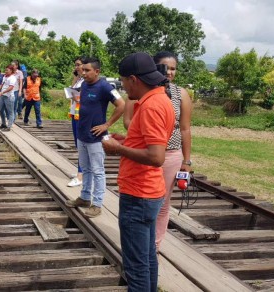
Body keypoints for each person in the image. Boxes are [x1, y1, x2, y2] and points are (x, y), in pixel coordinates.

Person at [101, 52, 175, 292]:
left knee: (136, 265)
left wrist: (118, 148)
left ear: (134, 79)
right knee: (148, 257)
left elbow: (156, 157)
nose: (122, 87)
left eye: (123, 81)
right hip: (150, 192)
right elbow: (149, 142)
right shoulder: (161, 99)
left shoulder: (151, 106)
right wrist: (128, 140)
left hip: (139, 194)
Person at [123, 51, 193, 250]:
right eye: (164, 68)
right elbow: (128, 121)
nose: (169, 72)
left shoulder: (181, 94)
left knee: (162, 203)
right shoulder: (137, 91)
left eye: (173, 68)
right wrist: (149, 133)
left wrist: (186, 161)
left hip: (170, 155)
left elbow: (185, 128)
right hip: (145, 153)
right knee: (143, 199)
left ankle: (154, 245)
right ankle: (143, 243)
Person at [64, 57, 125, 218]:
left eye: (86, 70)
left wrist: (107, 125)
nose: (83, 73)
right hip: (82, 134)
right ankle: (84, 197)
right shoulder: (84, 85)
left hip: (96, 137)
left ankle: (97, 204)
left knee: (98, 171)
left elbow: (122, 105)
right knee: (85, 169)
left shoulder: (105, 87)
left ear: (97, 71)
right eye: (82, 70)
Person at [67, 57, 84, 187]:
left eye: (78, 65)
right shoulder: (78, 80)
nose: (76, 67)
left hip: (81, 114)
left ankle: (80, 174)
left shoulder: (86, 81)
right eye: (75, 65)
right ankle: (81, 172)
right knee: (77, 144)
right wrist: (75, 77)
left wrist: (76, 96)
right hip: (74, 113)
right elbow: (72, 89)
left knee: (82, 144)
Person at [0, 65, 17, 131]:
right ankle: (3, 124)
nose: (5, 71)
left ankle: (9, 126)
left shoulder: (13, 78)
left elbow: (11, 87)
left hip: (9, 97)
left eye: (7, 70)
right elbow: (2, 85)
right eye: (5, 70)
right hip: (3, 96)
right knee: (0, 110)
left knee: (10, 112)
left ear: (11, 71)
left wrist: (3, 92)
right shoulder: (4, 77)